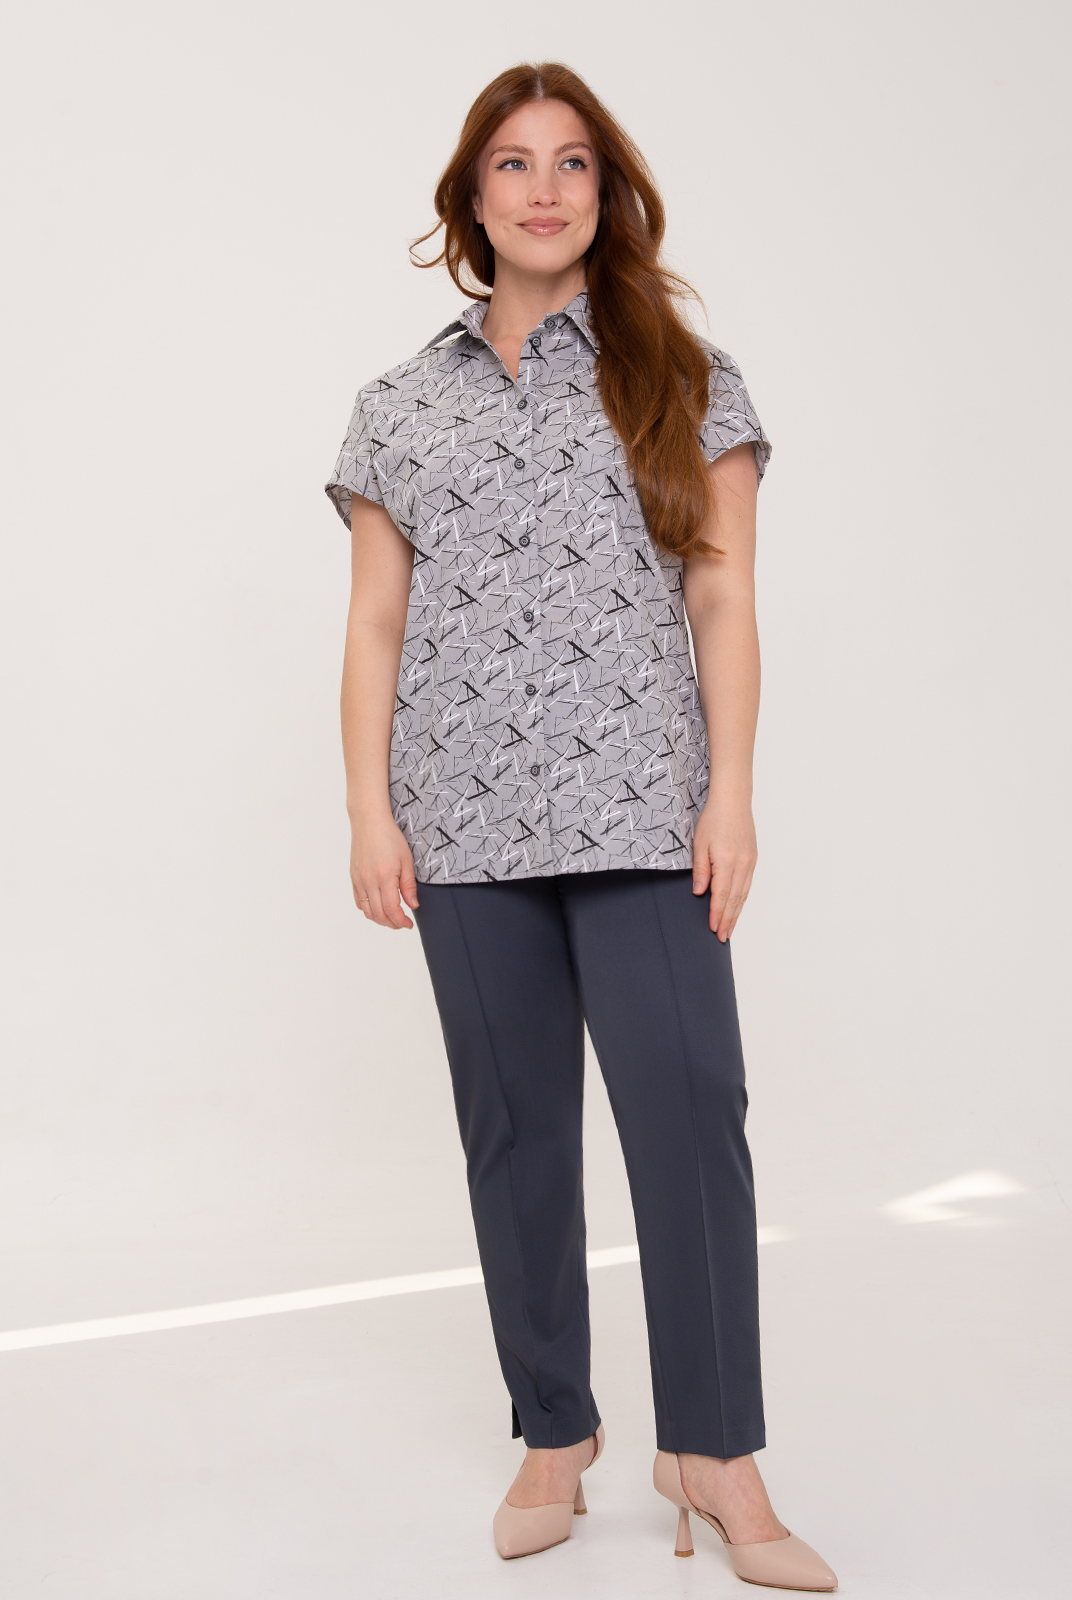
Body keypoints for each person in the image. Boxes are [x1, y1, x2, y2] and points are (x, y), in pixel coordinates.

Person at [326, 61, 837, 1591]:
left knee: (690, 1123)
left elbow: (724, 596)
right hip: (463, 830)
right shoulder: (398, 407)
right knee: (515, 1135)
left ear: (606, 196)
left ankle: (718, 1453)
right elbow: (375, 625)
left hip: (643, 815)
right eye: (512, 163)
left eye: (572, 164)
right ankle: (555, 1428)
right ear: (470, 199)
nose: (543, 189)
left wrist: (731, 792)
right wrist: (369, 809)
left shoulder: (686, 375)